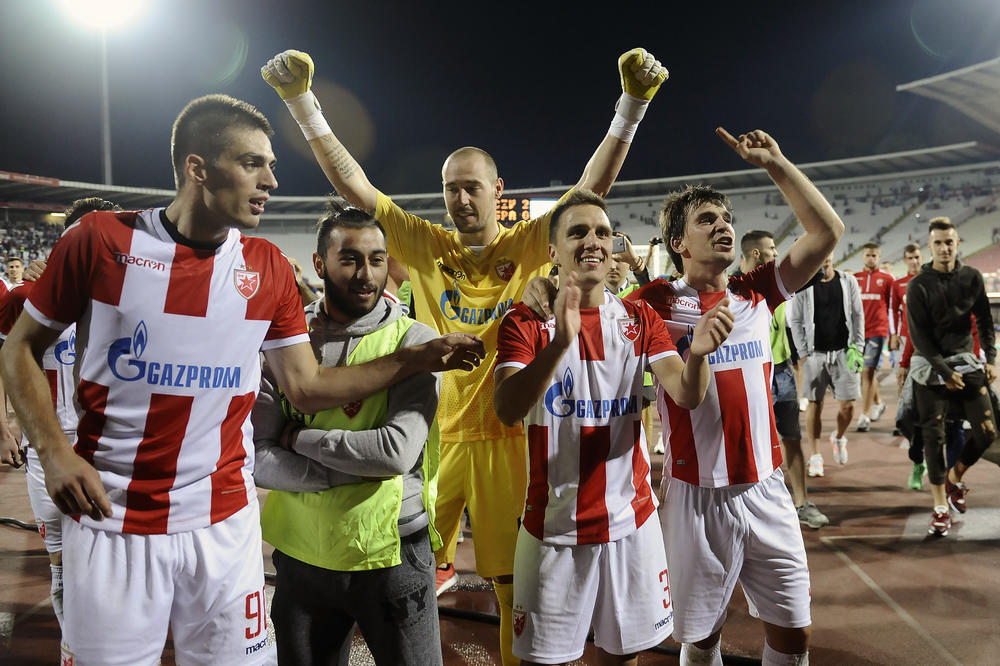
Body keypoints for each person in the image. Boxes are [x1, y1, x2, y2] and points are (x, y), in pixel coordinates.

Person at [0, 94, 484, 665]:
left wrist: (417, 358)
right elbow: (19, 348)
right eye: (253, 163)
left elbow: (306, 387)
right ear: (197, 168)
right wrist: (54, 452)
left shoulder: (267, 266)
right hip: (114, 518)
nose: (271, 181)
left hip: (225, 521)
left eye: (271, 165)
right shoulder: (99, 241)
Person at [261, 47, 668, 665]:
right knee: (407, 564)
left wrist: (630, 107)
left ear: (496, 191)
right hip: (434, 438)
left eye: (471, 187)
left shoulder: (528, 244)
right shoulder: (425, 244)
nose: (460, 199)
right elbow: (354, 188)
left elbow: (590, 192)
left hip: (506, 439)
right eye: (450, 188)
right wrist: (303, 104)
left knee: (509, 587)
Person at [526, 128, 843, 665]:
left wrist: (776, 163)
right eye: (707, 220)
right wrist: (543, 283)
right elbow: (589, 296)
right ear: (678, 243)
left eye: (726, 219)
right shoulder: (650, 303)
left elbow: (828, 231)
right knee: (699, 638)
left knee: (795, 635)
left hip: (767, 488)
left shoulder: (756, 291)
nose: (723, 226)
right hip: (695, 497)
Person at [494, 190, 733, 665]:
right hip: (554, 529)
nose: (593, 241)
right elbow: (507, 407)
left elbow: (685, 394)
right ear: (552, 251)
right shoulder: (525, 321)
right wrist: (559, 343)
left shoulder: (639, 318)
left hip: (632, 523)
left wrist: (699, 355)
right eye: (578, 232)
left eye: (602, 232)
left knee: (622, 658)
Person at [253, 200, 445, 665]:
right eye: (350, 259)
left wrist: (297, 440)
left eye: (376, 260)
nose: (366, 274)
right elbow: (257, 456)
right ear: (320, 264)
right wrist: (345, 474)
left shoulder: (415, 341)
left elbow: (394, 454)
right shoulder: (282, 343)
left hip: (393, 552)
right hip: (302, 556)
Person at [0, 197, 122, 632]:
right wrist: (4, 428)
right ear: (69, 238)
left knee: (114, 553)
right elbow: (7, 359)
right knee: (60, 560)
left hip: (112, 444)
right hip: (48, 445)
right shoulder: (29, 295)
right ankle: (74, 648)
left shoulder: (136, 292)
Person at [906, 217, 997, 536]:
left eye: (949, 242)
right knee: (934, 437)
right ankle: (940, 508)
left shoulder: (972, 277)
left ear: (957, 244)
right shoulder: (918, 285)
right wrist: (944, 373)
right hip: (929, 366)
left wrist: (991, 359)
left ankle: (954, 478)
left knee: (987, 433)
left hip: (966, 362)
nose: (944, 248)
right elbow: (919, 337)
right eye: (938, 243)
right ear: (930, 247)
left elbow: (985, 321)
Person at [738, 230, 828, 529]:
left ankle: (802, 503)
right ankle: (753, 509)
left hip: (783, 372)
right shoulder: (734, 286)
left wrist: (810, 246)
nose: (776, 253)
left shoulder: (777, 283)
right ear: (756, 254)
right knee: (750, 444)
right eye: (772, 248)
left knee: (792, 438)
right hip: (752, 374)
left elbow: (812, 273)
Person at [788, 254, 864, 477]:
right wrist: (803, 353)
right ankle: (815, 455)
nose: (825, 257)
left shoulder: (848, 281)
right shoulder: (804, 285)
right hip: (815, 354)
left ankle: (838, 437)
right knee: (814, 404)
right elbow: (795, 320)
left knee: (848, 406)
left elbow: (858, 315)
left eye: (828, 252)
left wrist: (858, 347)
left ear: (832, 253)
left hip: (844, 352)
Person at [854, 242, 893, 431]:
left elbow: (892, 308)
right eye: (868, 255)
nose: (871, 258)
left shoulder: (887, 280)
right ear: (863, 256)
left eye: (874, 255)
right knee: (864, 373)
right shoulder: (855, 279)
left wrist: (892, 333)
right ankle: (878, 403)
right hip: (859, 332)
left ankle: (865, 415)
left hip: (878, 331)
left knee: (868, 372)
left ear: (879, 256)